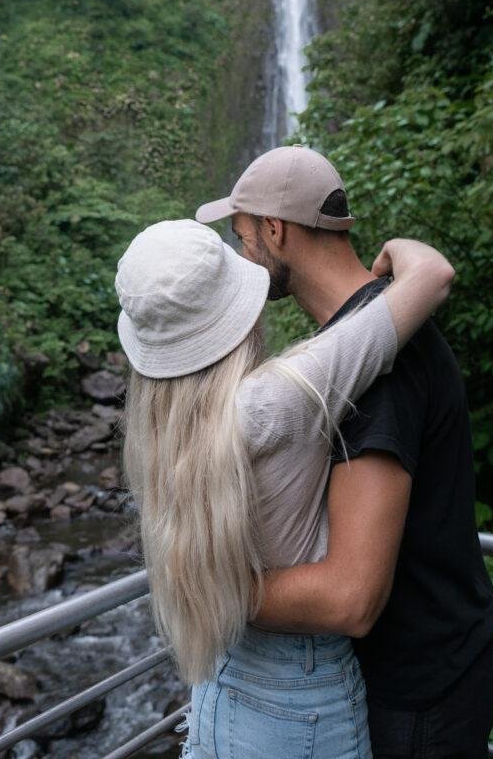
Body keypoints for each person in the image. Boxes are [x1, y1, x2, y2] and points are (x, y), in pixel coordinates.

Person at [194, 146, 493, 759]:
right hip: (433, 671)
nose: (239, 254)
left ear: (274, 230)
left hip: (414, 696)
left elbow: (351, 597)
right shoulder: (367, 337)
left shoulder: (376, 371)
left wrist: (200, 590)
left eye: (241, 233)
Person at [115, 217, 456, 759]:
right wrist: (398, 247)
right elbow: (432, 276)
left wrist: (208, 591)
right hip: (299, 697)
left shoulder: (157, 427)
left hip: (217, 682)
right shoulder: (276, 401)